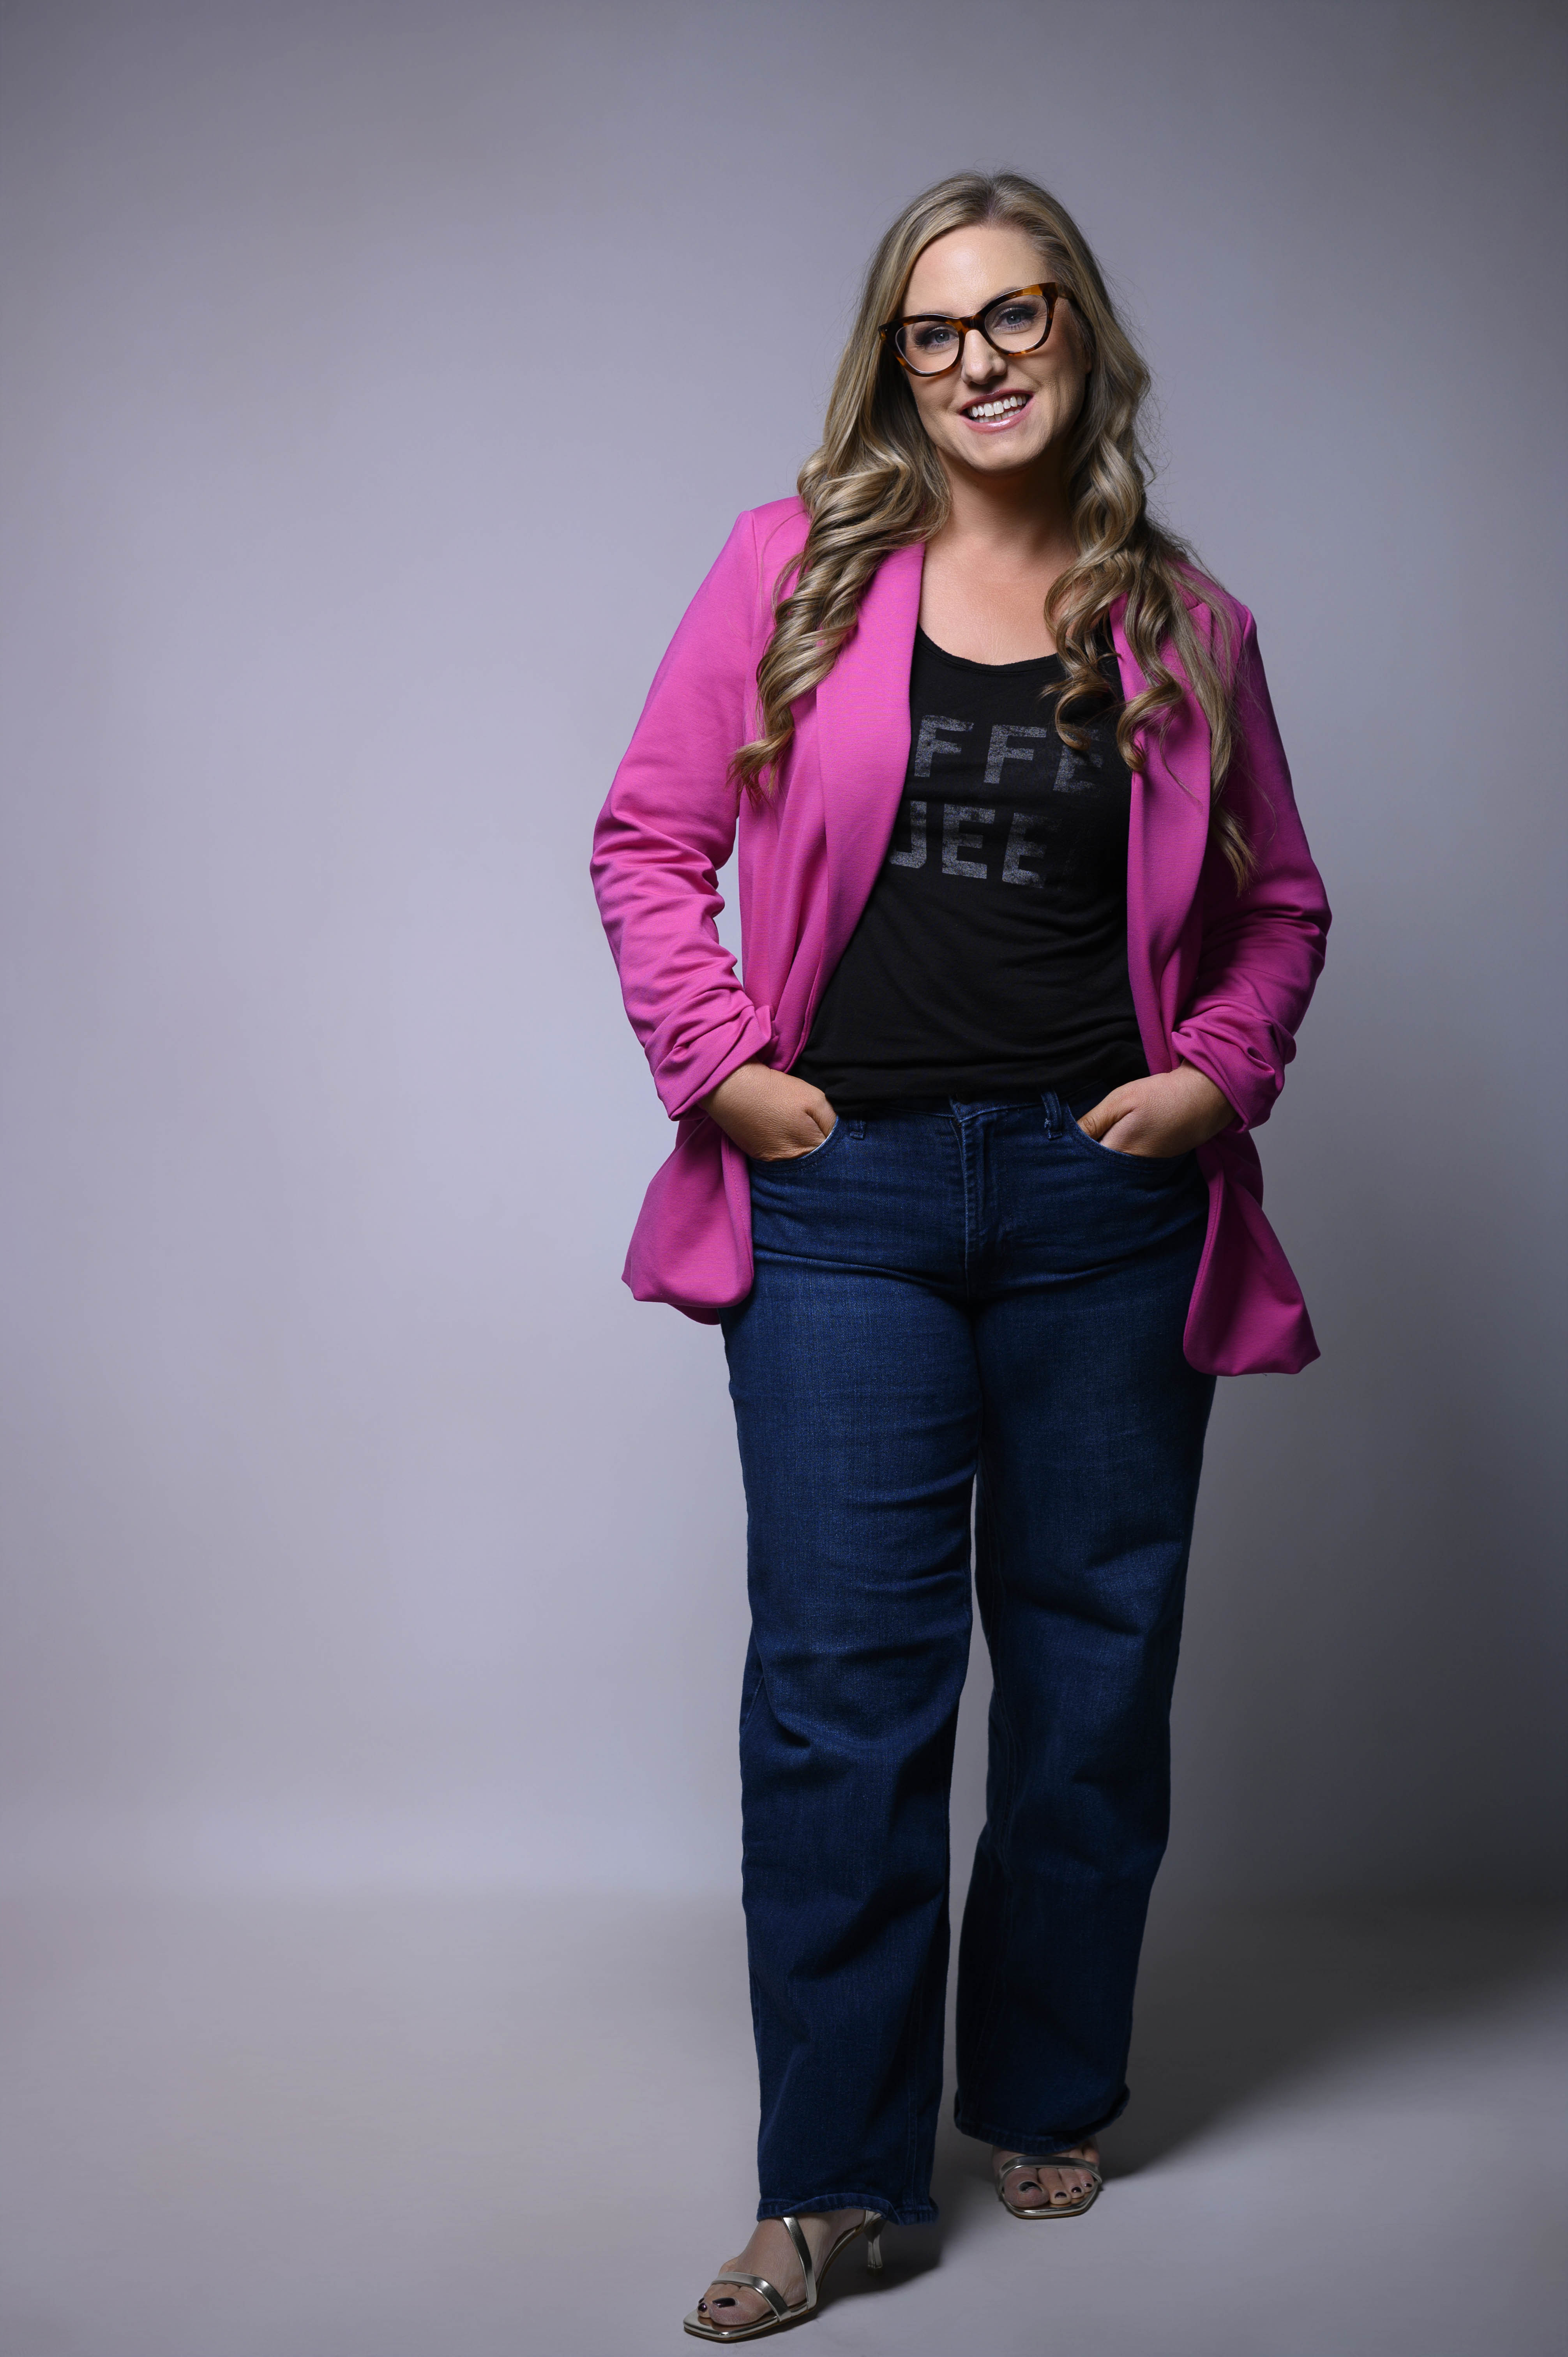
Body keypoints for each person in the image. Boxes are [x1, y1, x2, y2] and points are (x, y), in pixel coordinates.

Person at [591, 169, 1329, 2343]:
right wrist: (718, 1065)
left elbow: (1278, 904)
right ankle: (828, 2184)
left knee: (1091, 1671)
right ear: (892, 361)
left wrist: (1213, 1075)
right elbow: (649, 839)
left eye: (1016, 318)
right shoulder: (788, 572)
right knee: (843, 1693)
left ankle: (1043, 2078)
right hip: (845, 1200)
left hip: (1107, 1197)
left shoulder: (1189, 628)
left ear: (1078, 335)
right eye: (935, 331)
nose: (980, 361)